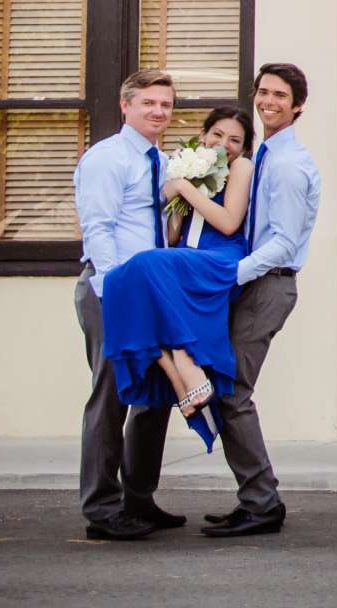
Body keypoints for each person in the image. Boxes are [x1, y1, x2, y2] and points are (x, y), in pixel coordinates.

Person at [202, 62, 321, 539]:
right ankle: (255, 498)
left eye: (280, 95)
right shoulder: (265, 153)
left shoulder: (289, 165)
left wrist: (229, 274)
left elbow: (284, 243)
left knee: (232, 392)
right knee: (226, 390)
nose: (268, 101)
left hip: (268, 283)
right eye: (263, 92)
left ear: (297, 107)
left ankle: (263, 503)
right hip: (254, 282)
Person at [98, 106, 257, 455]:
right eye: (217, 135)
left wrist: (185, 186)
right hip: (184, 256)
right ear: (203, 135)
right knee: (123, 284)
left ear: (244, 148)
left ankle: (185, 365)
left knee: (142, 268)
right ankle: (177, 373)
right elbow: (171, 237)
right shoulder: (190, 163)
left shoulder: (241, 167)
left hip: (218, 258)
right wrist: (173, 203)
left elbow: (229, 222)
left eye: (234, 140)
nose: (224, 144)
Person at [72, 69, 180, 541]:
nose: (158, 111)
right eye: (149, 103)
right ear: (125, 105)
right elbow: (99, 229)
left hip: (151, 290)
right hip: (112, 289)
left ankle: (140, 499)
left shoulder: (161, 161)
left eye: (166, 105)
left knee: (156, 395)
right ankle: (101, 507)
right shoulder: (107, 158)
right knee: (112, 396)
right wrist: (115, 291)